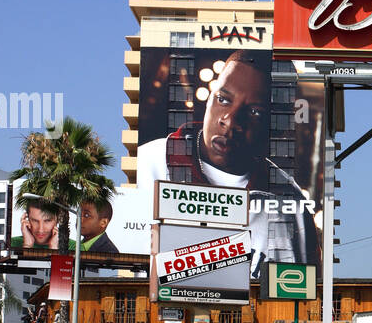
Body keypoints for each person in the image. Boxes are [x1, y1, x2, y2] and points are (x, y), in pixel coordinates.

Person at [135, 49, 317, 279]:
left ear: (274, 123)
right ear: (210, 98)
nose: (230, 121)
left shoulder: (290, 203)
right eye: (223, 100)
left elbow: (306, 298)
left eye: (254, 112)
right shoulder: (148, 163)